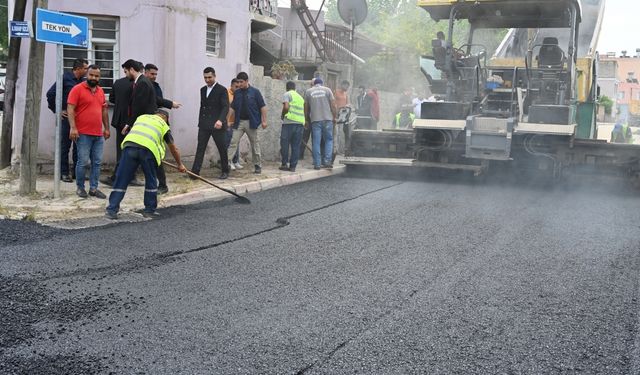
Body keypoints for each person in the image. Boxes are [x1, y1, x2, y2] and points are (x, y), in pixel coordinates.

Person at [105, 110, 186, 219]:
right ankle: (149, 210)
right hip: (148, 151)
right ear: (166, 118)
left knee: (121, 179)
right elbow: (173, 148)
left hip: (129, 147)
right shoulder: (163, 125)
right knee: (151, 180)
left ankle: (111, 210)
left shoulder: (142, 117)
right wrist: (180, 164)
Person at [67, 64, 110, 199]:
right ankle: (80, 188)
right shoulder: (77, 89)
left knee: (97, 162)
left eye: (96, 76)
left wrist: (107, 128)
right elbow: (70, 109)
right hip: (83, 133)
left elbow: (104, 111)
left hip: (98, 134)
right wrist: (73, 127)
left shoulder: (101, 91)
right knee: (83, 162)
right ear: (87, 74)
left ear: (99, 77)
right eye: (91, 75)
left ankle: (93, 188)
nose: (94, 77)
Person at [46, 57, 88, 182]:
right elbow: (50, 94)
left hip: (80, 118)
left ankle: (77, 172)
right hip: (67, 119)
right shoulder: (65, 78)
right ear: (78, 68)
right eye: (85, 68)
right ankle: (63, 173)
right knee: (65, 146)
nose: (87, 71)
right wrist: (57, 110)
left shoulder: (83, 81)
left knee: (79, 146)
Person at [144, 63, 182, 194]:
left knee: (157, 154)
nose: (154, 77)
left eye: (155, 74)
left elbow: (158, 101)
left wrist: (180, 164)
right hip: (144, 123)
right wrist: (171, 103)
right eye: (152, 74)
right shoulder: (141, 85)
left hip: (156, 123)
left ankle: (162, 185)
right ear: (145, 72)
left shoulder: (155, 87)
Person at [191, 67, 230, 179]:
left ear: (214, 76)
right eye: (205, 77)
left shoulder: (222, 90)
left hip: (217, 124)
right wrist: (200, 122)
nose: (207, 80)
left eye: (209, 77)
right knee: (200, 148)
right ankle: (195, 172)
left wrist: (220, 120)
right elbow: (202, 107)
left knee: (222, 148)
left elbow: (225, 106)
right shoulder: (202, 89)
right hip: (204, 124)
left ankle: (225, 171)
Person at [227, 71, 267, 174]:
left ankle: (257, 165)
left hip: (251, 122)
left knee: (255, 144)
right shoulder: (237, 93)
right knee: (233, 142)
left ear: (246, 81)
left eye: (241, 82)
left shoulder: (255, 92)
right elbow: (233, 107)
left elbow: (262, 106)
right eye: (238, 82)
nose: (239, 84)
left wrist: (264, 121)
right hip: (239, 122)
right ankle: (226, 163)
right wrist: (227, 120)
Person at [305, 77, 337, 170]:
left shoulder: (308, 91)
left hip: (315, 120)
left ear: (314, 84)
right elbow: (333, 105)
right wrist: (334, 117)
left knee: (316, 142)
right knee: (328, 140)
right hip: (327, 120)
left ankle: (317, 164)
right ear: (321, 83)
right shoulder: (327, 90)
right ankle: (327, 161)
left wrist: (306, 119)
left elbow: (306, 107)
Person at [280, 81, 305, 172]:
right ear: (295, 88)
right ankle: (293, 166)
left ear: (287, 87)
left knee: (285, 143)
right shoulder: (300, 97)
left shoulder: (287, 94)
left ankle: (284, 164)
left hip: (289, 122)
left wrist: (283, 115)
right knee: (296, 145)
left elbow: (286, 107)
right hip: (300, 123)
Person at [226, 78, 242, 170]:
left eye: (239, 87)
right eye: (236, 87)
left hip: (236, 122)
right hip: (228, 122)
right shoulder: (227, 93)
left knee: (236, 142)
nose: (237, 88)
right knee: (229, 143)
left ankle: (236, 161)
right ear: (231, 85)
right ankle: (229, 161)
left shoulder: (238, 94)